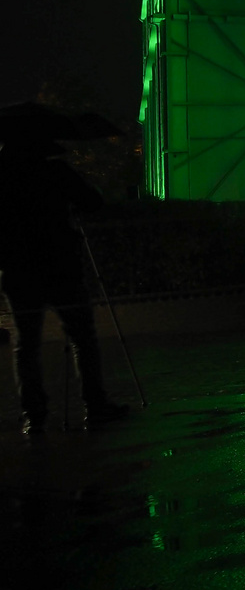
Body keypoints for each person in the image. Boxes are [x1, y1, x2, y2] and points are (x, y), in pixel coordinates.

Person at [0, 134, 127, 436]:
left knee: (26, 344)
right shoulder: (55, 172)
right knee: (82, 337)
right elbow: (93, 202)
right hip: (60, 265)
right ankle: (95, 406)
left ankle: (34, 416)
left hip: (17, 270)